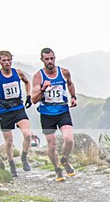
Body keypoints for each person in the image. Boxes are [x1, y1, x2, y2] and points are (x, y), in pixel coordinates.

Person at [0, 51, 33, 176]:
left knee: (27, 134)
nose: (7, 63)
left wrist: (28, 96)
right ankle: (11, 164)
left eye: (9, 60)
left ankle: (24, 157)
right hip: (5, 110)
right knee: (9, 141)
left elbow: (27, 82)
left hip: (18, 107)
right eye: (4, 60)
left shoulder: (17, 72)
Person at [30, 48, 77, 182]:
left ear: (55, 58)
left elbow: (70, 83)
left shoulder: (64, 72)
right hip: (46, 114)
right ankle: (57, 169)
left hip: (63, 111)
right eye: (47, 59)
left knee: (68, 139)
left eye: (52, 58)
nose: (50, 61)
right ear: (42, 60)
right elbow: (33, 100)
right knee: (52, 145)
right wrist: (43, 89)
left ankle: (64, 160)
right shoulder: (38, 77)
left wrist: (73, 96)